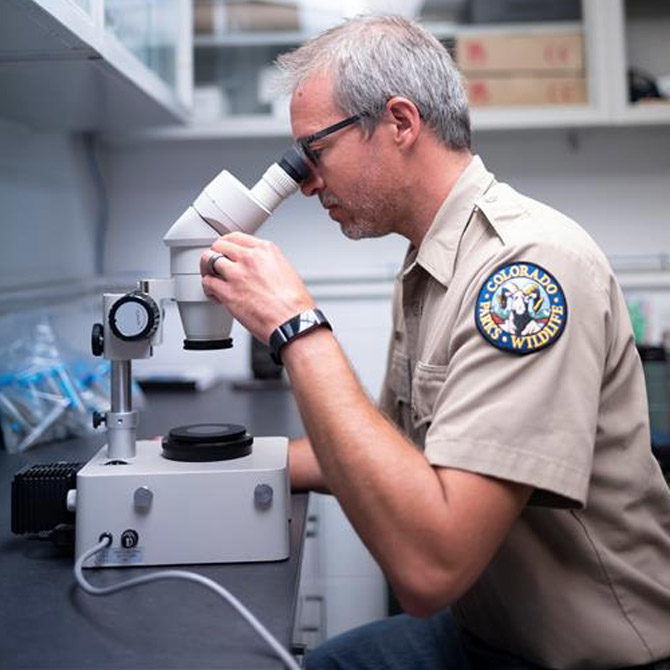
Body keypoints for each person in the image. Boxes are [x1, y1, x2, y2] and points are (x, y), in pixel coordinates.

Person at [200, 15, 670, 670]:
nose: (306, 183)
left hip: (585, 658)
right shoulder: (432, 261)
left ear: (399, 122)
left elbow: (429, 568)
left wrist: (296, 327)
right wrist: (219, 460)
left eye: (315, 153)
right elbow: (394, 452)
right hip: (484, 631)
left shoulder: (522, 276)